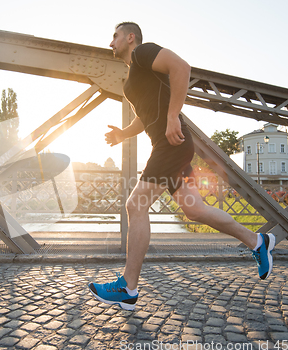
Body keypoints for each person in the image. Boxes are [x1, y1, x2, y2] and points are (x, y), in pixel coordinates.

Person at [87, 22, 276, 311]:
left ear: (130, 36)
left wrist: (174, 115)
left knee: (135, 206)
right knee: (194, 210)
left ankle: (128, 287)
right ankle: (258, 241)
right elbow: (146, 116)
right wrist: (123, 133)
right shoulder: (134, 73)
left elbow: (182, 68)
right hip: (171, 146)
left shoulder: (143, 53)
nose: (110, 42)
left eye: (114, 36)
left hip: (170, 144)